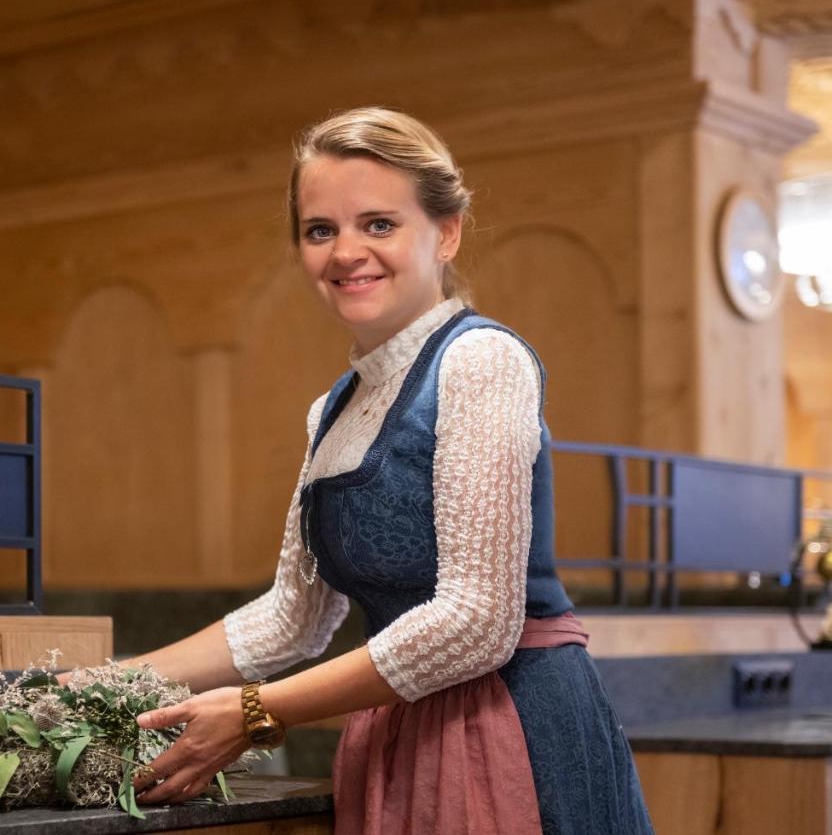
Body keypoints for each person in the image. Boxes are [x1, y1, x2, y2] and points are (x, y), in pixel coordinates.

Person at [109, 107, 653, 834]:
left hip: (506, 727)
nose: (345, 252)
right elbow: (291, 619)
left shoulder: (482, 360)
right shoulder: (331, 409)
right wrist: (108, 682)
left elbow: (476, 623)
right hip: (399, 733)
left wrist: (253, 710)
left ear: (447, 232)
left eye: (379, 223)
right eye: (320, 230)